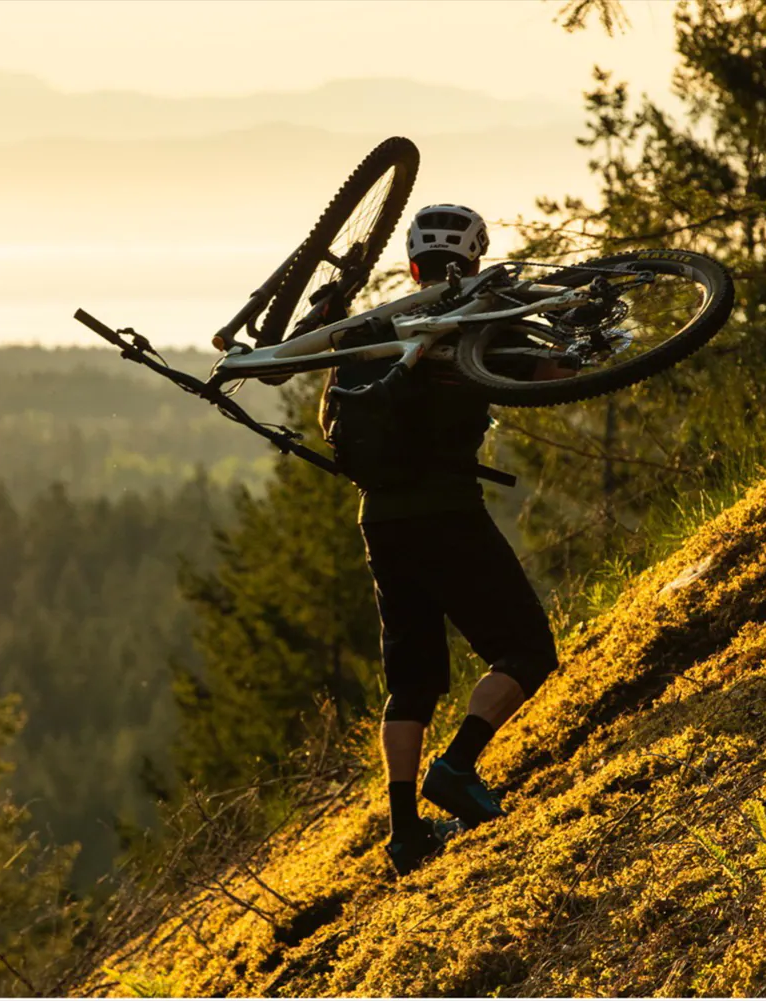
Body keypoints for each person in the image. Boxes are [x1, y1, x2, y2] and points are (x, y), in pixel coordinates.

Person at [320, 204, 562, 877]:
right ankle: (456, 768)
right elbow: (552, 378)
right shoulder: (481, 319)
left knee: (412, 677)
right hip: (446, 508)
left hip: (380, 519)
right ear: (475, 260)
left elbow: (333, 422)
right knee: (527, 648)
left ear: (411, 263)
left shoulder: (368, 328)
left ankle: (404, 834)